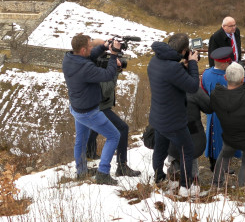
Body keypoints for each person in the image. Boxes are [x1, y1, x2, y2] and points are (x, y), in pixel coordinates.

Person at [62, 34, 122, 185]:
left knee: (80, 141)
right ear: (83, 50)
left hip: (77, 108)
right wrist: (113, 55)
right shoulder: (85, 68)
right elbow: (108, 75)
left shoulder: (69, 58)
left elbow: (89, 57)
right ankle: (103, 173)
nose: (92, 48)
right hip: (88, 112)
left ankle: (81, 172)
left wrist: (103, 46)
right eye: (90, 47)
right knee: (114, 135)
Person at [147, 33, 202, 197]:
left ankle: (158, 178)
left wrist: (183, 66)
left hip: (158, 117)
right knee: (187, 150)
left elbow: (171, 80)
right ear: (184, 50)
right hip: (173, 121)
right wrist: (192, 63)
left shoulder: (155, 60)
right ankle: (185, 187)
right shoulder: (173, 68)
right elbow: (192, 86)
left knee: (160, 149)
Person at [84, 41, 142, 178]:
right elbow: (106, 91)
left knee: (93, 128)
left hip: (94, 106)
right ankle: (121, 166)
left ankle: (89, 153)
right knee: (122, 128)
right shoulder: (98, 69)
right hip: (100, 106)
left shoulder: (91, 63)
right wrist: (114, 71)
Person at [202, 47, 238, 171]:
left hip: (212, 113)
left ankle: (215, 164)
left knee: (213, 139)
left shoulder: (206, 73)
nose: (230, 64)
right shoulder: (228, 78)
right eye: (228, 62)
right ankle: (221, 167)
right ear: (223, 64)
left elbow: (204, 90)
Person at [167, 84, 212, 183]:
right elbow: (209, 108)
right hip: (193, 138)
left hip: (170, 137)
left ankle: (174, 174)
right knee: (191, 151)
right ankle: (192, 180)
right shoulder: (194, 90)